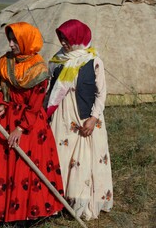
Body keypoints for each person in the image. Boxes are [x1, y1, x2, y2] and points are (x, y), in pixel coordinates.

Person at [0, 22, 64, 224]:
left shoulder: (39, 69)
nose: (12, 44)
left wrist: (21, 128)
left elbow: (35, 104)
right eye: (10, 40)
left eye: (15, 40)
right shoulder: (4, 62)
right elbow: (2, 89)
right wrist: (1, 105)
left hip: (30, 124)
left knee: (26, 167)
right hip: (7, 118)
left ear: (26, 41)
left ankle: (28, 212)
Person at [46, 19, 113, 220]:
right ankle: (62, 201)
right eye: (61, 38)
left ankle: (82, 203)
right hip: (62, 117)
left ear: (77, 37)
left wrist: (93, 119)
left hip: (85, 117)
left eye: (67, 38)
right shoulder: (58, 60)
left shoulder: (93, 61)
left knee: (84, 160)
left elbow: (101, 93)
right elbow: (50, 88)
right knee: (62, 157)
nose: (63, 42)